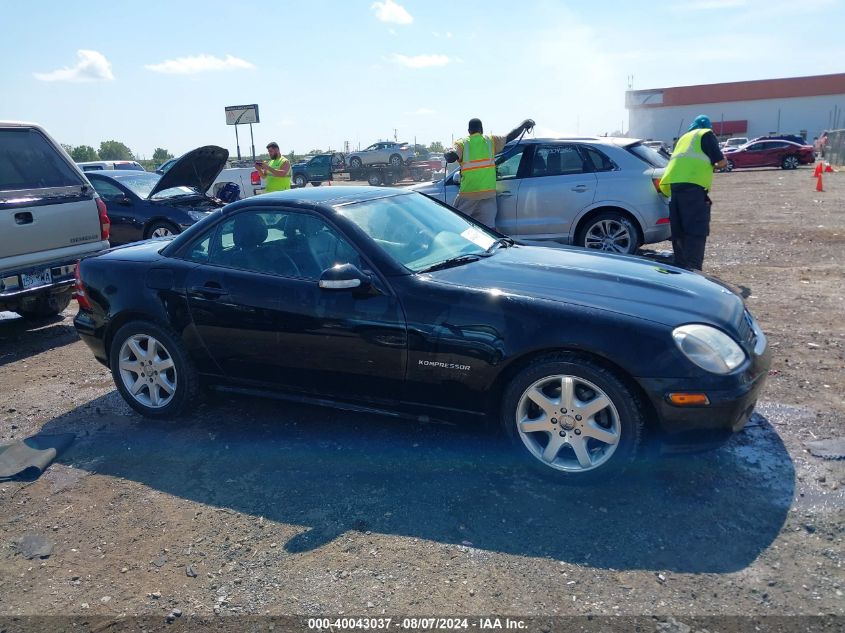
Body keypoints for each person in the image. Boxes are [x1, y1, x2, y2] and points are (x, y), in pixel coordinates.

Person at [659, 115, 727, 271]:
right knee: (696, 229)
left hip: (675, 188)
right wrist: (718, 165)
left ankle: (680, 267)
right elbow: (721, 162)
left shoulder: (682, 139)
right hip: (693, 189)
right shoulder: (706, 134)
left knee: (679, 230)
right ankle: (694, 270)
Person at [444, 117, 534, 228]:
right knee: (489, 228)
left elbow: (451, 156)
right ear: (482, 129)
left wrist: (448, 154)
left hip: (468, 195)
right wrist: (524, 124)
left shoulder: (462, 143)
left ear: (469, 131)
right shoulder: (490, 141)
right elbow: (510, 136)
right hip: (488, 195)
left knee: (459, 226)